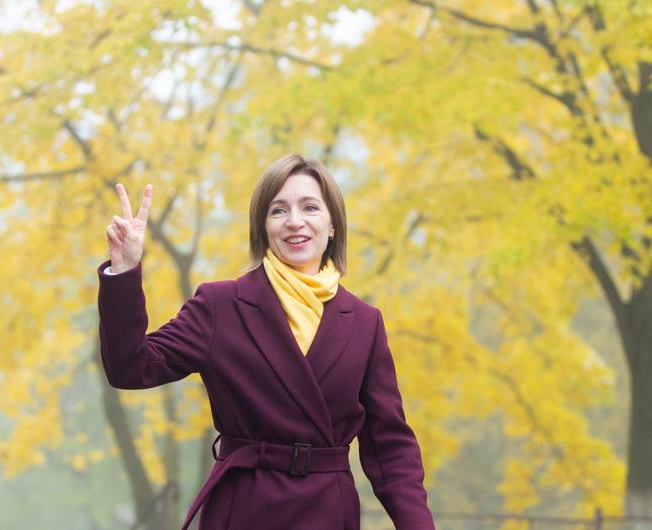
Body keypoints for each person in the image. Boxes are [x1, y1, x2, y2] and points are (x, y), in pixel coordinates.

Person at [97, 154, 435, 529]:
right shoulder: (220, 306)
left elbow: (391, 448)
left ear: (333, 224)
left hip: (329, 513)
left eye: (310, 207)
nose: (295, 221)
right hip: (244, 508)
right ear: (263, 226)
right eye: (278, 210)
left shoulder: (365, 323)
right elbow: (131, 366)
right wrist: (125, 271)